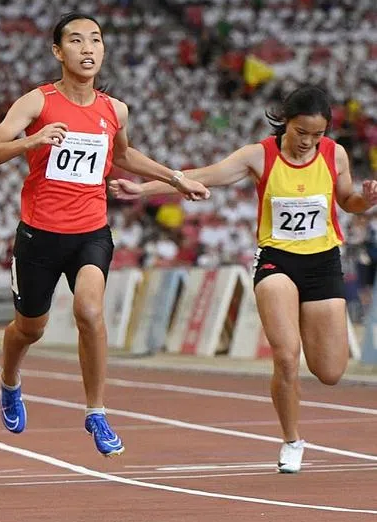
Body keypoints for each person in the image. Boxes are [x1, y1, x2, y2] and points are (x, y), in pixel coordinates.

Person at [0, 12, 209, 457]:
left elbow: (125, 155)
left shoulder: (114, 109)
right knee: (29, 329)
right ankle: (9, 382)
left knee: (89, 310)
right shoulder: (36, 103)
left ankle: (96, 411)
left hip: (91, 232)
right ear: (58, 52)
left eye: (96, 40)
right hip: (39, 237)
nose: (87, 48)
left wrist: (174, 178)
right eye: (76, 41)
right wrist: (32, 141)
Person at [112, 85, 377, 473]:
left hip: (323, 262)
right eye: (301, 132)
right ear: (286, 122)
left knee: (331, 371)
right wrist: (144, 187)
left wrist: (365, 201)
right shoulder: (259, 155)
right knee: (286, 357)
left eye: (316, 135)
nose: (308, 142)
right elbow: (204, 175)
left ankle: (306, 321)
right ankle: (292, 440)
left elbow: (347, 201)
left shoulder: (334, 154)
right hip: (277, 261)